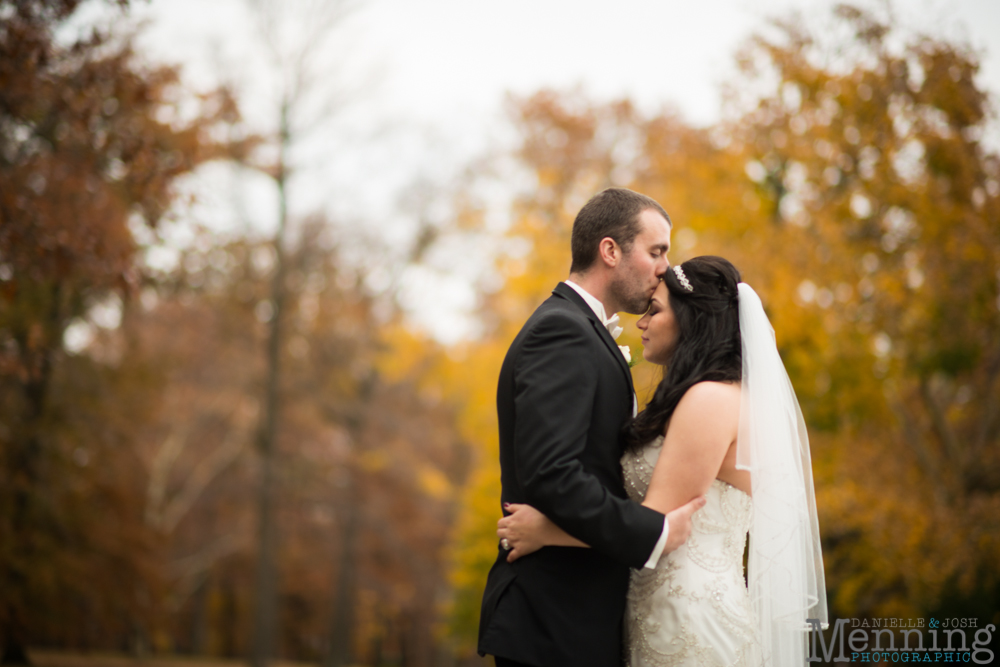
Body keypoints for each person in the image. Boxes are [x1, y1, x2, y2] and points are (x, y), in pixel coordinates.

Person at [498, 256, 829, 667]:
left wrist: (547, 531)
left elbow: (659, 523)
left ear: (691, 321)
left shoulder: (711, 399)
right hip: (658, 610)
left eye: (654, 311)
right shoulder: (702, 396)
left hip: (691, 618)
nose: (641, 322)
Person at [478, 188, 707, 667]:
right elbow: (552, 473)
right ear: (610, 251)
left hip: (572, 620)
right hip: (552, 622)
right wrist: (653, 531)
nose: (665, 267)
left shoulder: (580, 329)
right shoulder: (562, 331)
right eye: (655, 251)